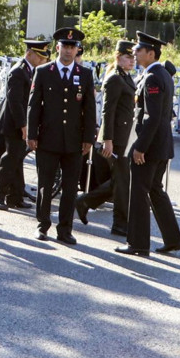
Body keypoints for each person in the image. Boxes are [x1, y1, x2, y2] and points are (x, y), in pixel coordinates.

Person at [116, 33, 180, 256]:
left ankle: (137, 243)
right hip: (161, 145)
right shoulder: (162, 74)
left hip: (151, 147)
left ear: (151, 53)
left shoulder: (153, 77)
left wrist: (140, 147)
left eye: (138, 50)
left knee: (139, 191)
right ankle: (173, 239)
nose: (134, 53)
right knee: (155, 190)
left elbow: (152, 116)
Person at [27, 27, 96, 245]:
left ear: (77, 50)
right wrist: (32, 134)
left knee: (70, 187)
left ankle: (65, 229)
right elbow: (34, 106)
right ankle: (42, 225)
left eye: (72, 47)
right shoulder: (43, 72)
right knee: (45, 185)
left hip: (74, 141)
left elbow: (90, 109)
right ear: (58, 47)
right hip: (48, 138)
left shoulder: (85, 74)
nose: (68, 50)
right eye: (65, 46)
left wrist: (88, 138)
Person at [75, 40, 137, 237]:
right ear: (118, 57)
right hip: (115, 139)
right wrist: (107, 140)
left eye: (133, 57)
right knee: (122, 181)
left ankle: (85, 201)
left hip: (125, 137)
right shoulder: (114, 79)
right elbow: (107, 112)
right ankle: (120, 223)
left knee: (120, 180)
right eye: (128, 57)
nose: (132, 61)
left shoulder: (125, 77)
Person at [0, 39, 51, 211]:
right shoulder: (18, 71)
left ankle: (15, 196)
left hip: (21, 121)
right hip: (13, 123)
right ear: (29, 53)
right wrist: (23, 125)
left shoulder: (30, 71)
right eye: (39, 56)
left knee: (17, 159)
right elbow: (15, 101)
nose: (42, 60)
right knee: (10, 159)